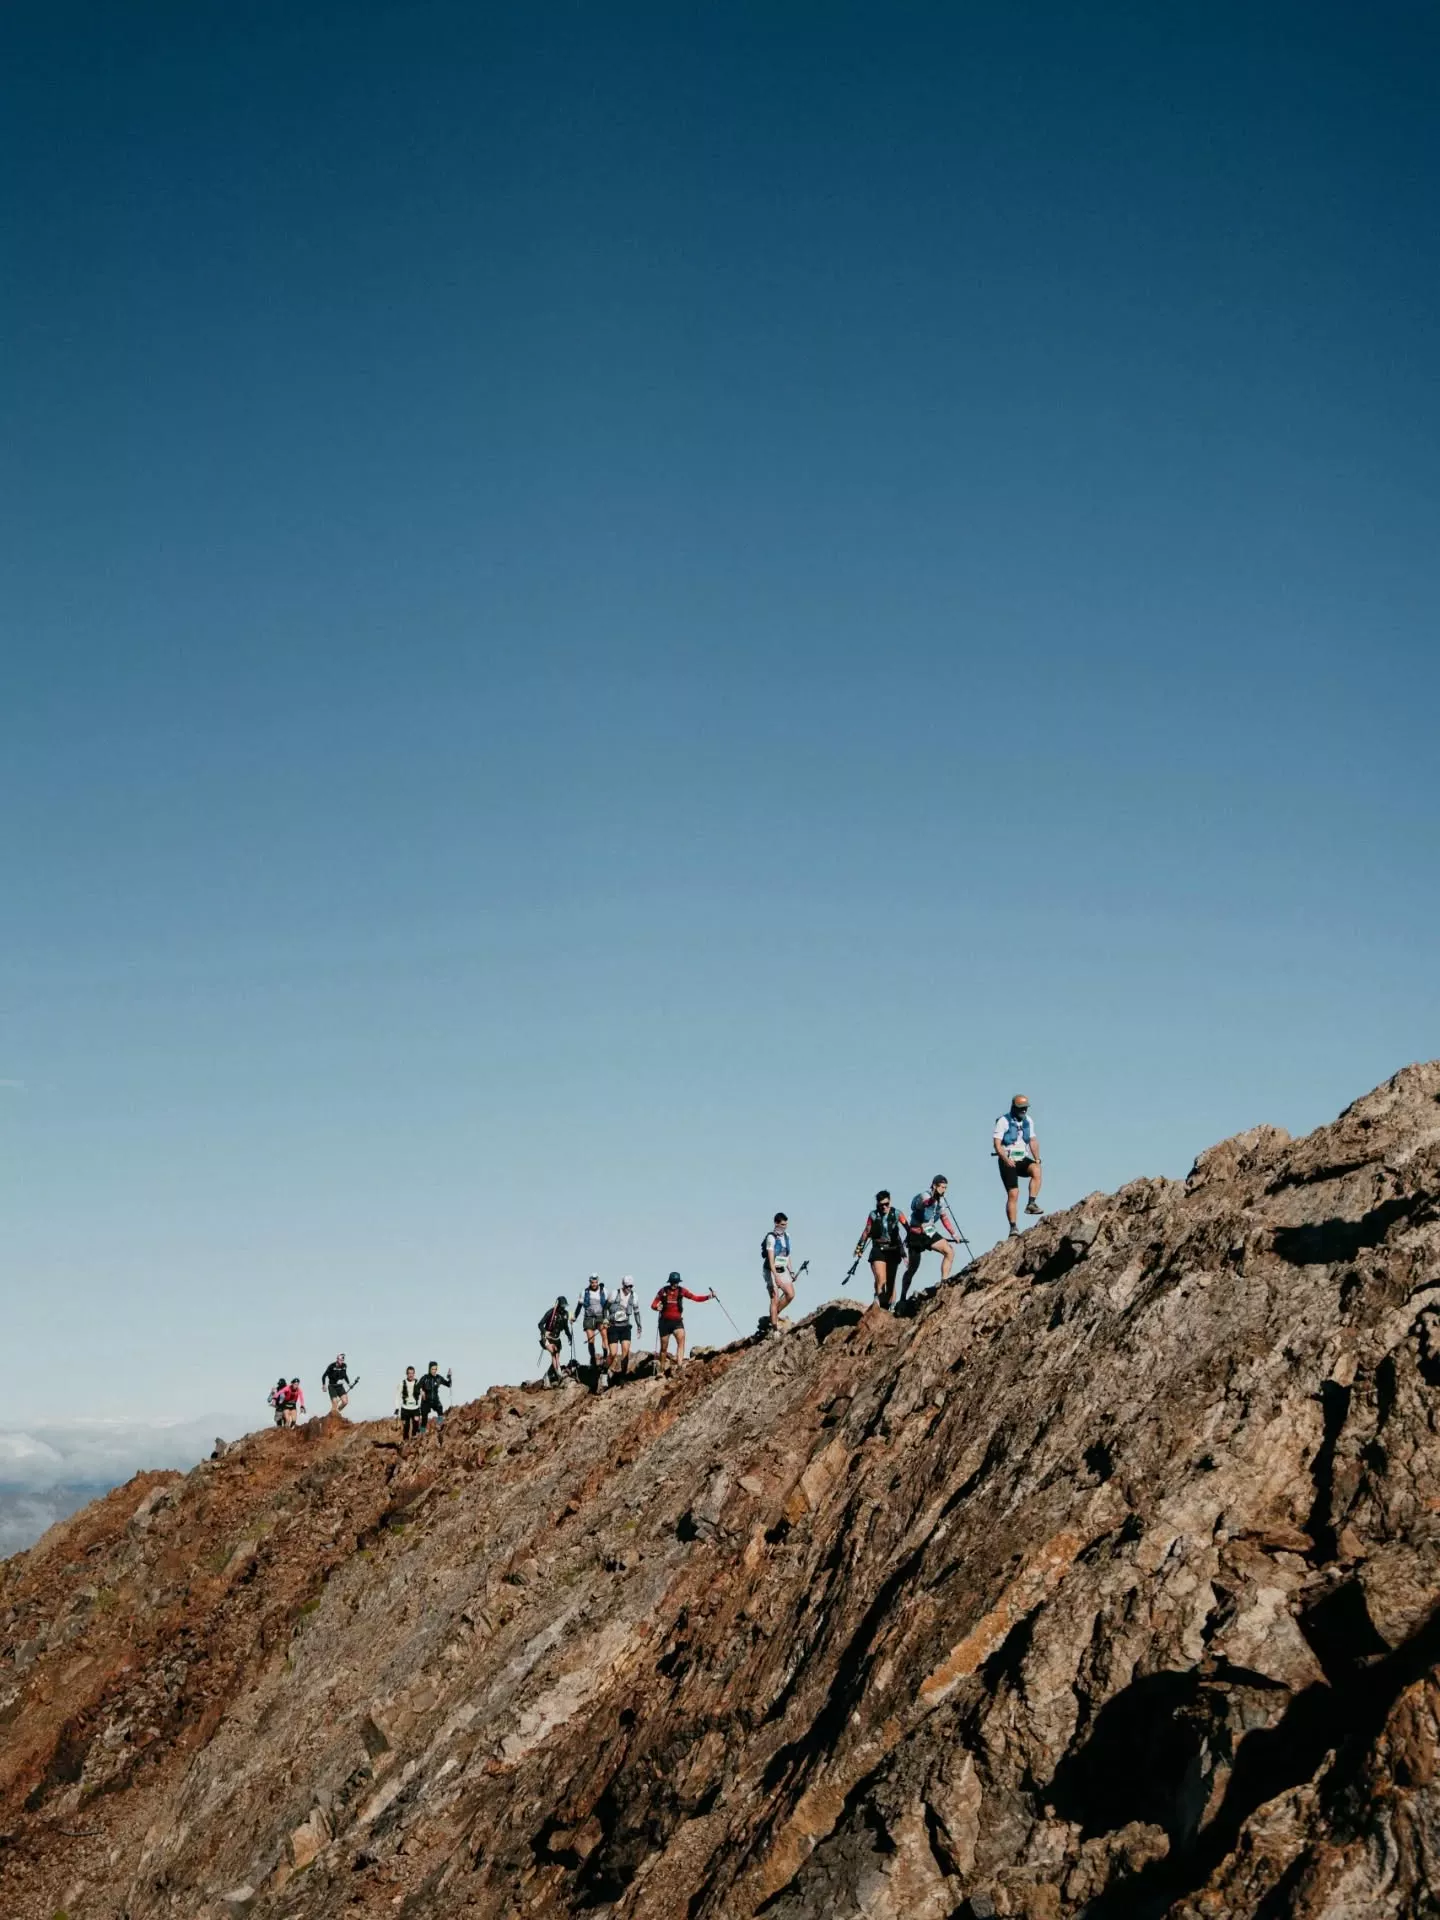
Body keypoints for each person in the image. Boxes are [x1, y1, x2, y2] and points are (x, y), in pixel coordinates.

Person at [901, 1177, 960, 1298]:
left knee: (949, 1251)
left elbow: (944, 1217)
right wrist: (933, 1199)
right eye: (942, 1187)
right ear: (934, 1186)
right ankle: (903, 1297)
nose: (944, 1190)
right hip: (916, 1232)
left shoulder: (941, 1201)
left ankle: (944, 1282)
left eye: (945, 1188)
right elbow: (925, 1203)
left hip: (929, 1230)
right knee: (913, 1268)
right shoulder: (924, 1195)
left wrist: (953, 1234)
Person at [995, 1095, 1044, 1236]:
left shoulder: (1028, 1121)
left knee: (1036, 1169)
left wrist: (1037, 1159)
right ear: (1014, 1107)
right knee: (1013, 1193)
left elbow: (1033, 1140)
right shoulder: (1003, 1121)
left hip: (1022, 1158)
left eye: (1025, 1108)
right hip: (1007, 1159)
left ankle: (1031, 1204)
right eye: (1021, 1108)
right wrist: (1005, 1158)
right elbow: (997, 1144)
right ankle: (1013, 1227)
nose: (1024, 1111)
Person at [854, 1190, 908, 1309]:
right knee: (881, 1279)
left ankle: (891, 1307)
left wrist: (905, 1251)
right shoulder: (873, 1215)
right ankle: (880, 1304)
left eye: (886, 1204)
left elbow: (908, 1228)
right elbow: (867, 1231)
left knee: (890, 1282)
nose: (884, 1207)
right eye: (881, 1205)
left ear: (890, 1201)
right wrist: (859, 1247)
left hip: (893, 1249)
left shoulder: (897, 1213)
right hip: (878, 1249)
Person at [651, 1271, 712, 1365]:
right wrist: (656, 1307)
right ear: (670, 1282)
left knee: (681, 1342)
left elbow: (695, 1298)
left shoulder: (682, 1291)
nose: (675, 1285)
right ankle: (661, 1370)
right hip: (664, 1322)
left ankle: (679, 1365)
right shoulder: (662, 1291)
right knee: (663, 1348)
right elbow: (653, 1304)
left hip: (677, 1322)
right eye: (673, 1282)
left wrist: (709, 1296)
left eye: (676, 1282)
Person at [762, 1212, 798, 1329]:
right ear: (776, 1223)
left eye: (786, 1224)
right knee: (775, 1297)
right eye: (782, 1224)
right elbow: (771, 1260)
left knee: (790, 1294)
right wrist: (776, 1277)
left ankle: (774, 1315)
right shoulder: (771, 1238)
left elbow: (787, 1256)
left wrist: (791, 1271)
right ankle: (774, 1328)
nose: (784, 1227)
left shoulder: (787, 1236)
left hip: (782, 1268)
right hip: (771, 1270)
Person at [606, 1276, 642, 1376]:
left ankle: (623, 1376)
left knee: (626, 1352)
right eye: (627, 1286)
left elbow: (636, 1312)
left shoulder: (634, 1296)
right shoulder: (614, 1293)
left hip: (625, 1326)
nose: (629, 1289)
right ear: (623, 1285)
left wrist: (639, 1326)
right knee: (613, 1353)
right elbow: (605, 1307)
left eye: (631, 1286)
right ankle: (604, 1372)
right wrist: (605, 1319)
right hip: (613, 1326)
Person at [576, 1275, 610, 1378]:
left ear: (598, 1282)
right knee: (591, 1340)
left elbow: (608, 1305)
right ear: (590, 1282)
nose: (594, 1284)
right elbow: (579, 1306)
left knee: (604, 1335)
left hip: (601, 1316)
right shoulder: (584, 1292)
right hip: (589, 1317)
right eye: (592, 1282)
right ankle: (593, 1359)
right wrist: (575, 1317)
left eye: (595, 1282)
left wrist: (608, 1318)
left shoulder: (604, 1291)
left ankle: (605, 1356)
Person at [539, 1295, 575, 1383]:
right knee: (554, 1353)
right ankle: (559, 1374)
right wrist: (544, 1331)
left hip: (557, 1339)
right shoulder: (551, 1312)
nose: (563, 1308)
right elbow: (540, 1324)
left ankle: (547, 1376)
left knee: (556, 1357)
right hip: (547, 1338)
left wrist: (569, 1336)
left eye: (564, 1306)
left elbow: (566, 1327)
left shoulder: (566, 1314)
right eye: (562, 1306)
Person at [418, 1361, 451, 1441]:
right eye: (432, 1369)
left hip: (435, 1400)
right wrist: (421, 1391)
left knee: (440, 1408)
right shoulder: (425, 1378)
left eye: (435, 1369)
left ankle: (439, 1425)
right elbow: (417, 1387)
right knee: (424, 1418)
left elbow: (449, 1384)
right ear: (429, 1369)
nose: (434, 1371)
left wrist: (449, 1376)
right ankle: (422, 1433)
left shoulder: (438, 1378)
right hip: (426, 1401)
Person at [396, 1366, 424, 1440]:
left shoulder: (418, 1383)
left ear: (414, 1374)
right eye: (409, 1373)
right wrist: (396, 1408)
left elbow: (423, 1394)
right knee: (406, 1427)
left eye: (412, 1373)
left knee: (416, 1423)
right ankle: (405, 1443)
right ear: (406, 1374)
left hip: (415, 1408)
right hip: (405, 1408)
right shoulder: (402, 1383)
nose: (411, 1375)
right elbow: (397, 1396)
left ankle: (414, 1440)